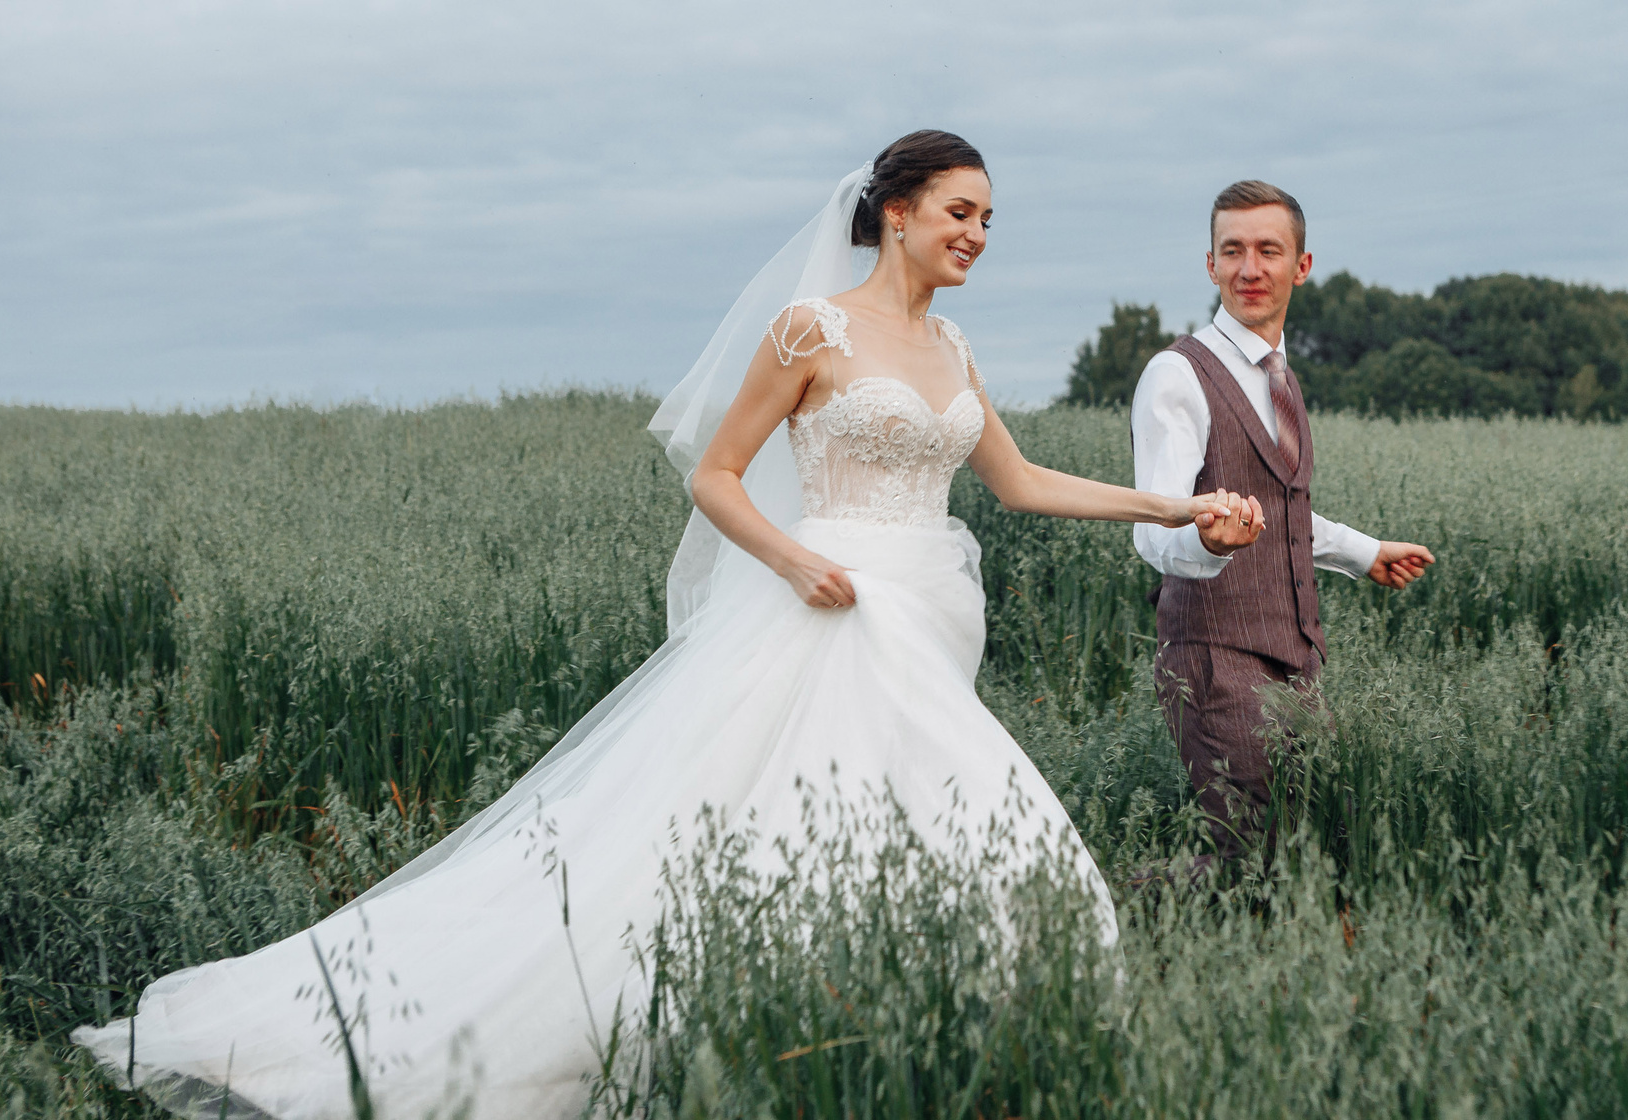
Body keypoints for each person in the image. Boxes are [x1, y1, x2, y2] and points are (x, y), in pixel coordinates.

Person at [72, 130, 1260, 1120]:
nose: (977, 236)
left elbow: (1018, 481)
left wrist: (1179, 503)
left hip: (930, 612)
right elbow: (720, 476)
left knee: (894, 828)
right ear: (893, 213)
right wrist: (796, 558)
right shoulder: (811, 332)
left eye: (989, 219)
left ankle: (894, 1047)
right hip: (833, 607)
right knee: (908, 827)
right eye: (959, 211)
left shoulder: (951, 346)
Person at [1130, 180, 1436, 865]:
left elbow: (1286, 510)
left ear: (1301, 265)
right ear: (1209, 265)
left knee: (1303, 844)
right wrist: (1205, 541)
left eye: (1269, 251)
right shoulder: (1177, 376)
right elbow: (1152, 526)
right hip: (1212, 656)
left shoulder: (1282, 379)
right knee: (1244, 854)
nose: (1249, 268)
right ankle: (1118, 939)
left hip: (1296, 660)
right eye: (1231, 250)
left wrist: (1365, 553)